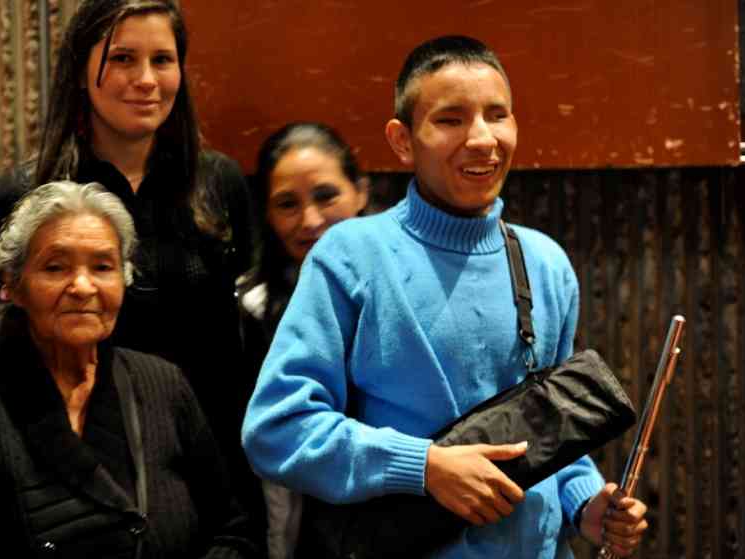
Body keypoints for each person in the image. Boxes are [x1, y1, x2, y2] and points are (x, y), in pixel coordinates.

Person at [242, 36, 648, 558]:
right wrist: (424, 467)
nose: (482, 139)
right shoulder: (350, 256)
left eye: (497, 115)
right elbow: (278, 428)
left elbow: (551, 427)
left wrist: (586, 504)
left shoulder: (545, 262)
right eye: (451, 119)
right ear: (403, 140)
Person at [0, 0, 257, 528]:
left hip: (207, 468)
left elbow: (244, 346)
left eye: (163, 60)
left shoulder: (219, 186)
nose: (146, 80)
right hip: (65, 476)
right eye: (121, 59)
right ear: (80, 70)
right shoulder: (25, 195)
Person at [0, 181, 258, 557]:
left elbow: (236, 530)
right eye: (56, 267)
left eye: (103, 266)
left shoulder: (164, 386)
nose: (83, 286)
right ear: (13, 285)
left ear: (125, 278)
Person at [239, 122, 369, 558]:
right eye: (287, 204)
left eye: (326, 196)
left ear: (361, 193)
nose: (310, 221)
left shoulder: (406, 292)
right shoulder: (251, 310)